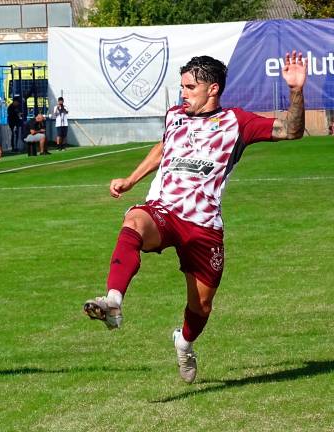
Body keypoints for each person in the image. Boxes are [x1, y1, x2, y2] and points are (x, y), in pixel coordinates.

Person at [82, 52, 307, 384]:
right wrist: (132, 180)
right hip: (164, 210)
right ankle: (113, 301)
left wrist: (296, 90)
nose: (182, 93)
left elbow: (291, 130)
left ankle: (184, 342)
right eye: (182, 86)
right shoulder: (175, 116)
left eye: (189, 87)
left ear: (212, 89)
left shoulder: (237, 122)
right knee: (133, 222)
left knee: (201, 306)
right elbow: (164, 147)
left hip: (204, 227)